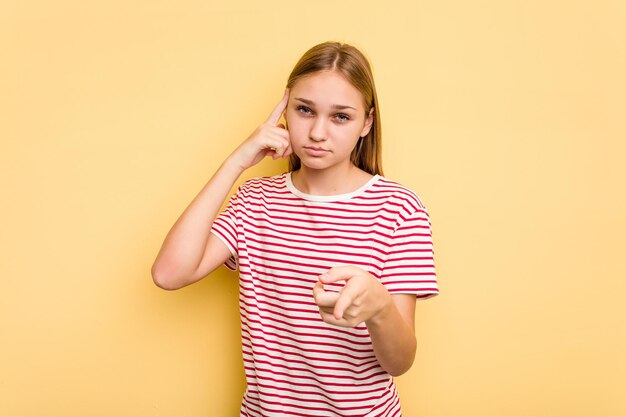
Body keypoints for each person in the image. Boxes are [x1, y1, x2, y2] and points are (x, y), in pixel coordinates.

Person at [152, 41, 439, 417]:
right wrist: (237, 161)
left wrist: (380, 308)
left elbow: (399, 363)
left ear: (366, 122)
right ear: (284, 109)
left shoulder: (398, 208)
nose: (318, 132)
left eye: (340, 117)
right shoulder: (255, 200)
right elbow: (169, 273)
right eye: (305, 110)